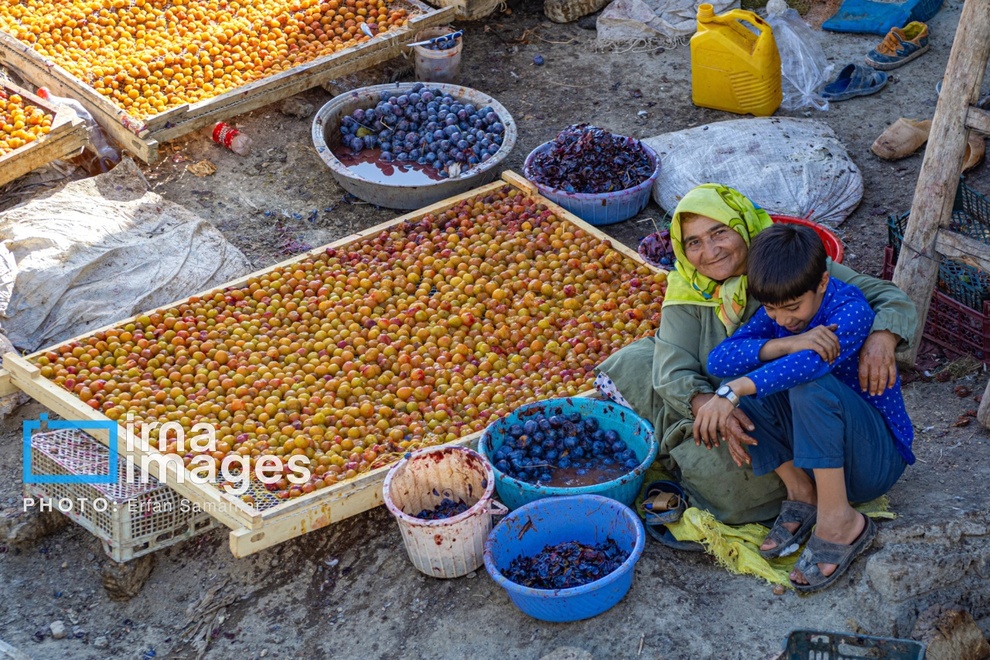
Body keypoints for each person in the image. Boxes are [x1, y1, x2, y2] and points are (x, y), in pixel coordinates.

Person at [595, 183, 917, 524]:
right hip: (753, 409)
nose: (710, 251)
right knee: (641, 364)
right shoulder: (688, 291)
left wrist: (882, 336)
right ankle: (799, 487)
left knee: (791, 399)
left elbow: (882, 295)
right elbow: (675, 370)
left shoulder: (785, 266)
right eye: (694, 242)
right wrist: (714, 404)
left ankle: (826, 506)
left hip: (806, 405)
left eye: (719, 232)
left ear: (743, 227)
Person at [699, 223, 914, 591]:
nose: (782, 319)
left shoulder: (850, 311)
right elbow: (720, 360)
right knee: (746, 382)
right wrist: (784, 343)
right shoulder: (780, 311)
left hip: (873, 461)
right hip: (820, 458)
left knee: (804, 387)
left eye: (793, 308)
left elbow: (810, 365)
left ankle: (840, 521)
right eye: (771, 309)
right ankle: (803, 493)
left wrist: (732, 390)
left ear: (823, 283)